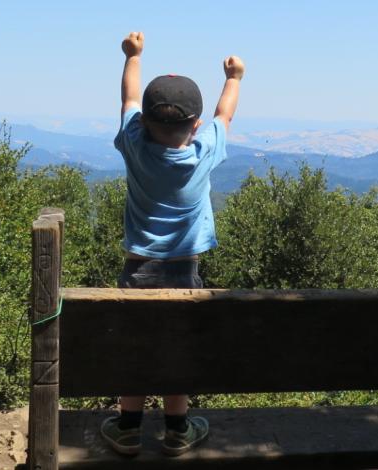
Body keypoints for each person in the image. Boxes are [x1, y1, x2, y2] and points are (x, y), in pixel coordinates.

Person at [98, 31, 244, 457]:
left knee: (134, 350)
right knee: (177, 350)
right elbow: (225, 116)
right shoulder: (205, 151)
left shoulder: (134, 145)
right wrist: (234, 78)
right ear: (195, 126)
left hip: (136, 269)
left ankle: (127, 429)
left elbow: (126, 101)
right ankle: (178, 430)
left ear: (143, 123)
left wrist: (133, 56)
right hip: (185, 270)